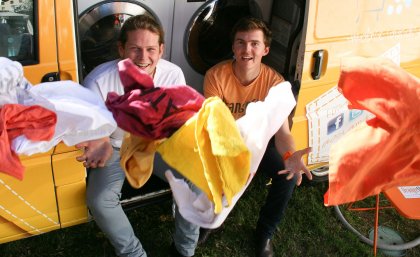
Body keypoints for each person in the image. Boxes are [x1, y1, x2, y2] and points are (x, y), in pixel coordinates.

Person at [76, 15, 200, 257]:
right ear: (121, 49)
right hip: (115, 148)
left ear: (161, 50)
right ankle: (133, 253)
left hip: (159, 145)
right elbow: (90, 130)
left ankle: (184, 250)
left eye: (151, 49)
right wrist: (97, 140)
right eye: (135, 49)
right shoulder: (98, 81)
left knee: (198, 181)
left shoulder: (173, 75)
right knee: (100, 201)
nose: (144, 58)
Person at [202, 17, 312, 257]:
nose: (247, 49)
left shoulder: (276, 84)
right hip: (225, 144)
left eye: (254, 43)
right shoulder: (215, 76)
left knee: (288, 176)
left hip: (260, 146)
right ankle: (212, 221)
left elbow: (282, 133)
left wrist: (290, 155)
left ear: (265, 49)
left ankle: (264, 233)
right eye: (240, 43)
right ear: (233, 47)